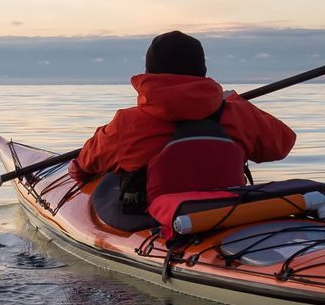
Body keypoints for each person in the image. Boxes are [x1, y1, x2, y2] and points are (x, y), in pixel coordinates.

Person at [74, 31, 296, 224]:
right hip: (228, 214)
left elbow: (85, 164)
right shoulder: (237, 114)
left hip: (157, 223)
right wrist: (237, 104)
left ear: (149, 72)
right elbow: (282, 143)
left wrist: (75, 170)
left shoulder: (127, 124)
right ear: (202, 70)